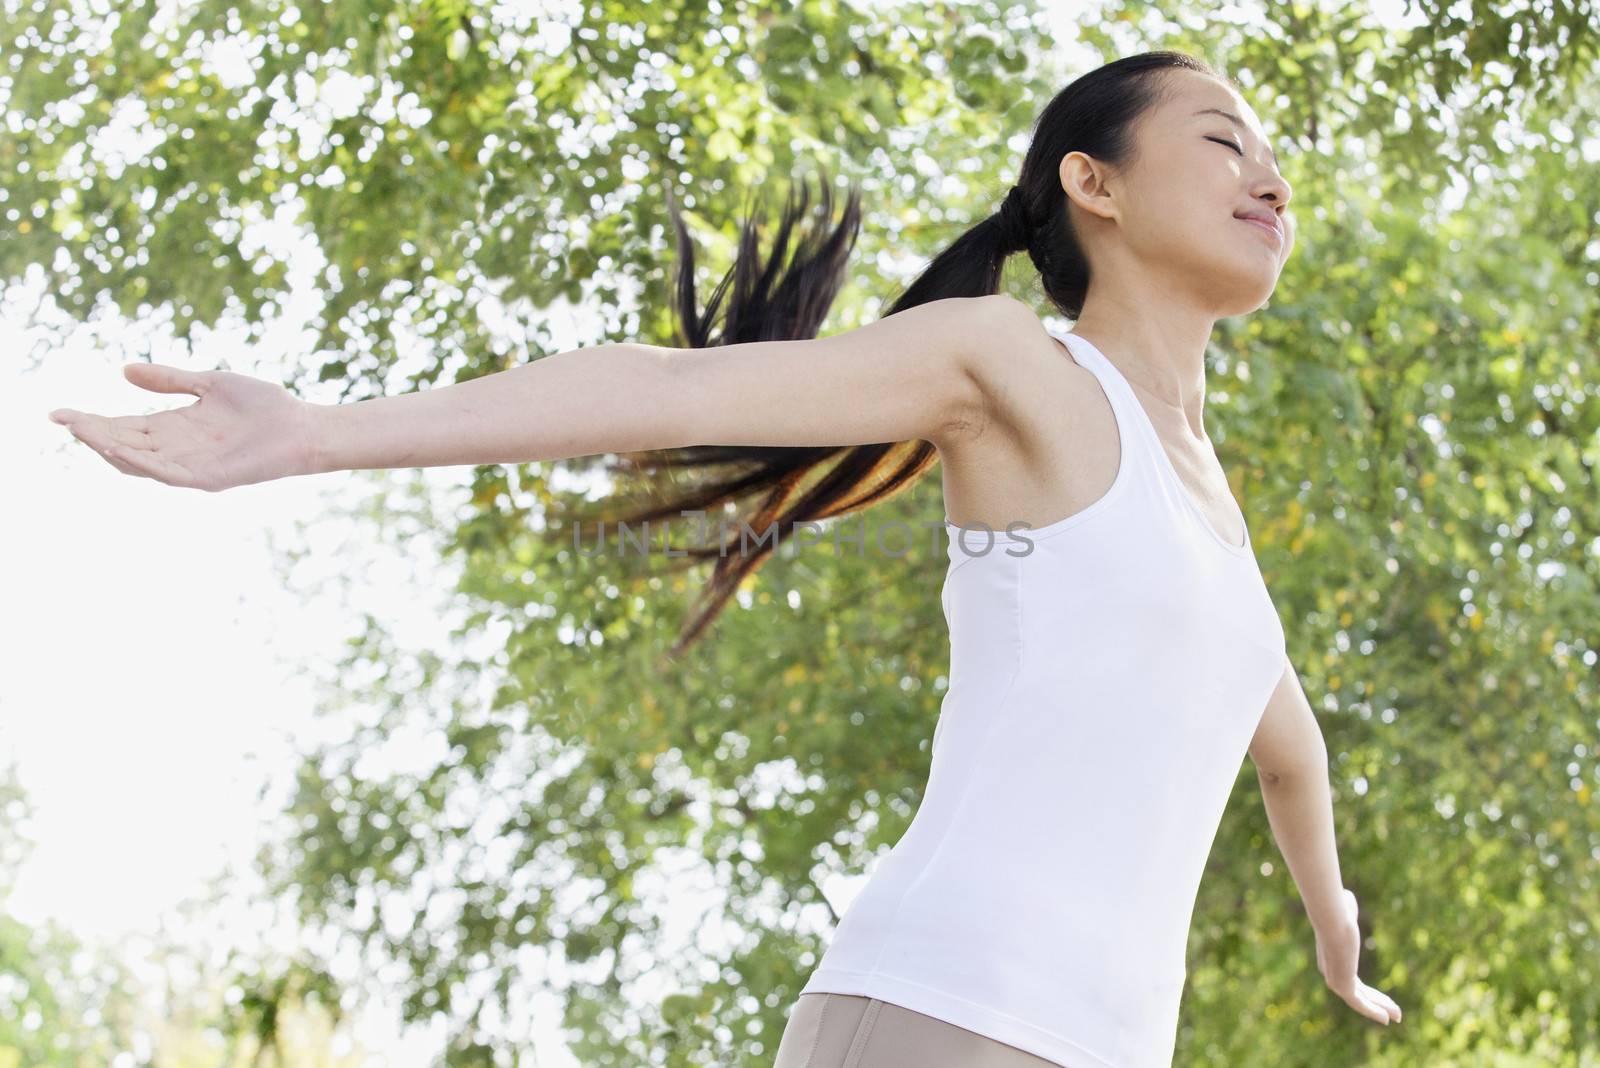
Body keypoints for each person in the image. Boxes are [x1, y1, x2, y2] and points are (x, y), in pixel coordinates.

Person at [46, 48, 1402, 1068]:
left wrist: (1333, 925)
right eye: (1224, 141)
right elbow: (677, 390)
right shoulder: (1014, 369)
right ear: (1092, 183)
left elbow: (1284, 746)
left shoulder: (1213, 520)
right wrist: (320, 435)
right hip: (946, 1013)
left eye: (1272, 155)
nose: (1269, 176)